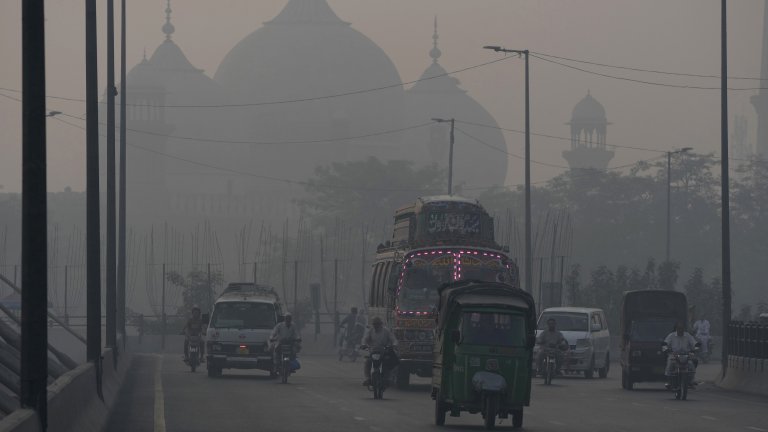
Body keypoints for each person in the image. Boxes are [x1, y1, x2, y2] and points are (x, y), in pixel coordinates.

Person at [361, 317, 397, 386]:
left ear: (381, 324)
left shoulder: (386, 331)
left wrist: (394, 345)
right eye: (375, 324)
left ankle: (388, 378)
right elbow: (365, 339)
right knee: (367, 361)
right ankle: (368, 379)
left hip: (383, 351)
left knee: (388, 362)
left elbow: (393, 339)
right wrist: (363, 344)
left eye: (377, 324)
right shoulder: (371, 331)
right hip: (373, 351)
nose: (376, 326)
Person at [664, 321, 698, 388]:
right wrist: (667, 349)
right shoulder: (671, 335)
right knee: (669, 365)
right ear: (676, 328)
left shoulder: (688, 336)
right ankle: (669, 381)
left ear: (684, 329)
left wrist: (696, 348)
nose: (680, 330)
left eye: (682, 328)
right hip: (674, 354)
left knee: (691, 365)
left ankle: (691, 380)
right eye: (679, 328)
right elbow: (665, 344)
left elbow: (695, 343)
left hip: (686, 355)